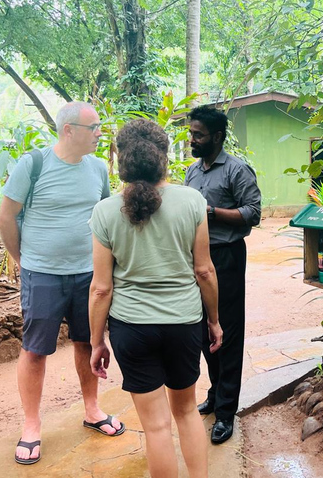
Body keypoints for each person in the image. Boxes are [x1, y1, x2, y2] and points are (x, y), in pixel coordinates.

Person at [88, 119, 223, 478]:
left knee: (157, 427)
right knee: (186, 412)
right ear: (162, 156)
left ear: (121, 160)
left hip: (131, 329)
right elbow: (205, 271)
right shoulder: (193, 201)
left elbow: (101, 288)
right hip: (184, 323)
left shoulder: (104, 211)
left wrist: (96, 341)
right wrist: (213, 321)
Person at [0, 102, 124, 466]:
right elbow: (5, 217)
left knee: (88, 341)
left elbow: (104, 217)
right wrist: (24, 260)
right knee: (35, 349)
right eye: (94, 126)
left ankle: (93, 409)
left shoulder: (98, 168)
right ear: (69, 130)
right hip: (43, 275)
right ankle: (32, 425)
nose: (101, 132)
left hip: (89, 275)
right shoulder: (33, 165)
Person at [184, 106, 261, 444]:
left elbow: (253, 213)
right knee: (204, 333)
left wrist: (212, 212)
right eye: (191, 133)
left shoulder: (236, 170)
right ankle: (215, 394)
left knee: (226, 333)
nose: (192, 140)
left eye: (198, 134)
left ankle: (226, 413)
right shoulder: (191, 172)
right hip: (195, 260)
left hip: (226, 257)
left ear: (216, 136)